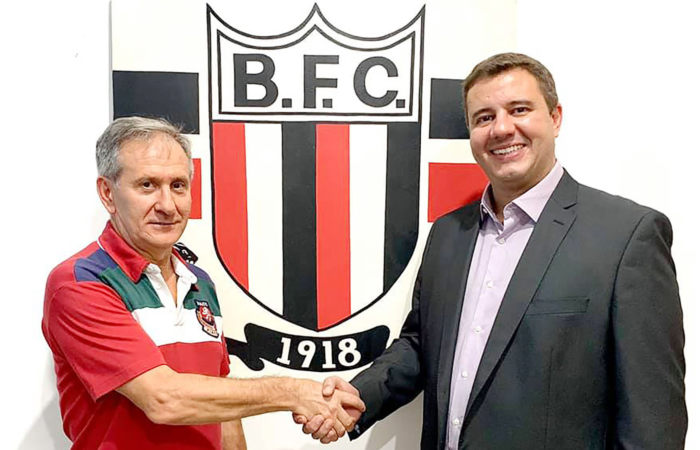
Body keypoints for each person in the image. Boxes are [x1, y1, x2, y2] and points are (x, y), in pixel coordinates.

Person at [299, 53, 687, 448]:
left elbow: (653, 420)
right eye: (484, 117)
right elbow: (420, 346)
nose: (501, 129)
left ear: (555, 118)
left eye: (519, 110)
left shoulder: (626, 237)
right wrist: (357, 398)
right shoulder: (448, 233)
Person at [42, 116, 364, 449]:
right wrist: (294, 392)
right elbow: (163, 399)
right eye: (147, 185)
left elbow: (222, 407)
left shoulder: (199, 283)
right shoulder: (79, 283)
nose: (167, 205)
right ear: (107, 193)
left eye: (178, 185)